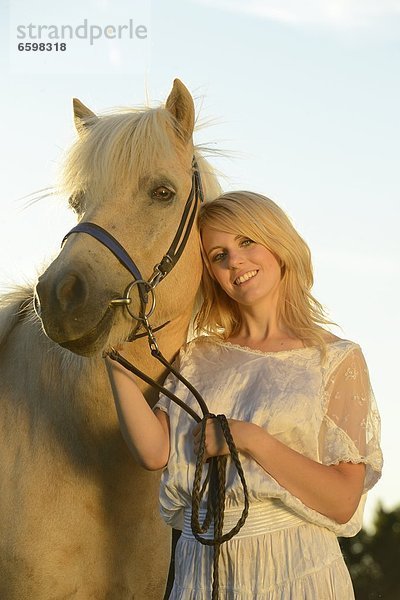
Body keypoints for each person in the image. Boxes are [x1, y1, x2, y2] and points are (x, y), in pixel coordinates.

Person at [105, 191, 383, 599]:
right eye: (218, 255)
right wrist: (111, 356)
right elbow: (154, 452)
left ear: (278, 243)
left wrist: (250, 439)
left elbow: (342, 500)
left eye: (246, 242)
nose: (234, 261)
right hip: (202, 568)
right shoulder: (198, 355)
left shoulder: (335, 359)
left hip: (297, 566)